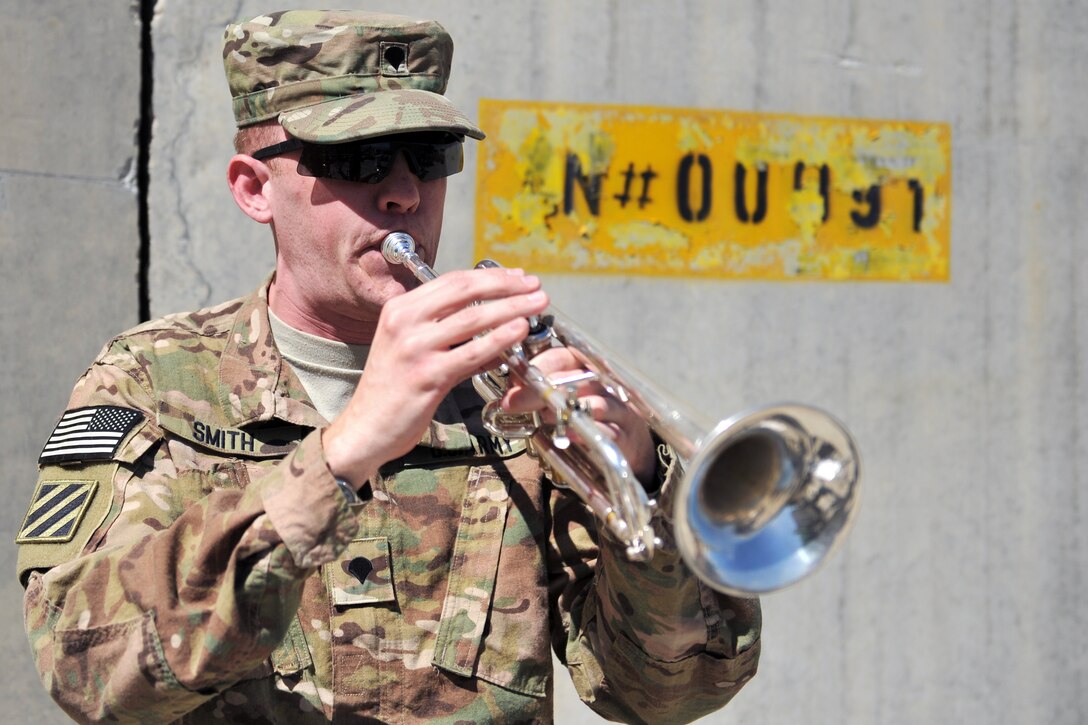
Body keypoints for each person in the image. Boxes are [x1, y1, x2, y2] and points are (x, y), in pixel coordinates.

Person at [16, 10, 760, 723]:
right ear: (253, 188)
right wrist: (342, 453)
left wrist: (637, 481)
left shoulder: (510, 389)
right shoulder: (154, 381)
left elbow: (668, 694)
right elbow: (87, 673)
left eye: (429, 157)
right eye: (356, 159)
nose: (403, 192)